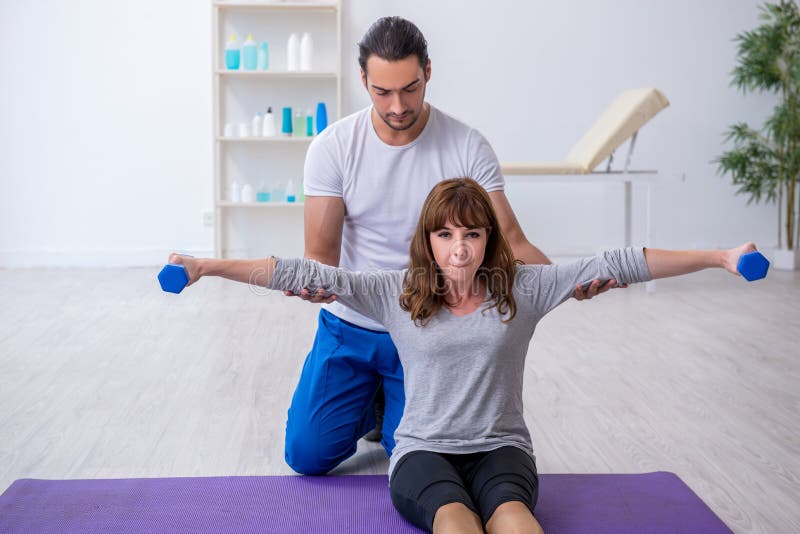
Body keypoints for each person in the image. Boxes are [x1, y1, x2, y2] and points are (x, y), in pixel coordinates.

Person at [168, 178, 758, 534]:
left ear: (488, 241)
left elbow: (623, 261)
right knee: (457, 523)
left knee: (515, 522)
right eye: (445, 234)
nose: (459, 249)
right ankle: (379, 415)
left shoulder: (523, 288)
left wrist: (720, 256)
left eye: (472, 234)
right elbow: (297, 271)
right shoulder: (398, 292)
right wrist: (206, 266)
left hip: (502, 448)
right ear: (428, 240)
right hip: (423, 449)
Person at [284, 15, 616, 475]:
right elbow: (320, 256)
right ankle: (366, 398)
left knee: (418, 454)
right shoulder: (333, 147)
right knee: (306, 455)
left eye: (410, 88)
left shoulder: (466, 145)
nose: (398, 105)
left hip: (426, 326)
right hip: (352, 324)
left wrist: (568, 281)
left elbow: (512, 240)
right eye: (382, 92)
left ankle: (384, 406)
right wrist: (310, 284)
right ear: (363, 80)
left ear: (428, 73)